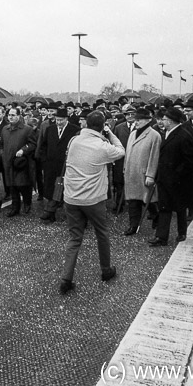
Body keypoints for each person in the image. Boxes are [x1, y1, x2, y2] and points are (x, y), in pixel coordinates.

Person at [58, 111, 126, 294]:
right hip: (93, 199)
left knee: (74, 238)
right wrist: (110, 133)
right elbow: (121, 151)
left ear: (85, 124)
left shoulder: (74, 141)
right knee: (102, 233)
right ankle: (106, 270)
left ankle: (66, 278)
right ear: (103, 125)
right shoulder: (103, 146)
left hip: (71, 197)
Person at [151, 107, 193, 247]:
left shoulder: (183, 136)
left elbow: (190, 159)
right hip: (165, 178)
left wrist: (177, 175)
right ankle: (162, 237)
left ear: (172, 121)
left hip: (178, 180)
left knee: (180, 207)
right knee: (165, 207)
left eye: (165, 119)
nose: (162, 122)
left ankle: (182, 232)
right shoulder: (166, 133)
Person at [122, 108, 161, 236]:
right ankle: (133, 226)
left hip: (143, 174)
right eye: (136, 119)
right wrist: (125, 168)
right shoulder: (133, 134)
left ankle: (156, 217)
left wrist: (151, 175)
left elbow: (154, 157)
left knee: (148, 200)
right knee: (133, 201)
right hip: (131, 173)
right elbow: (128, 153)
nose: (136, 122)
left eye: (139, 120)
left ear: (148, 120)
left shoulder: (154, 136)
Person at [38, 108, 80, 223]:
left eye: (61, 120)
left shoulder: (75, 130)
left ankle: (64, 214)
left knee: (65, 189)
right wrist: (44, 160)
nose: (59, 122)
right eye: (57, 120)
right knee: (52, 188)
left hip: (67, 165)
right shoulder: (50, 129)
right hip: (51, 165)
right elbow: (44, 145)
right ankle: (51, 213)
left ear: (66, 119)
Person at [0, 107, 37, 217]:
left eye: (13, 115)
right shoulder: (5, 129)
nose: (10, 117)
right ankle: (15, 207)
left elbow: (33, 144)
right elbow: (1, 144)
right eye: (9, 115)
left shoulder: (27, 129)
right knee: (12, 186)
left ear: (19, 116)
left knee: (23, 185)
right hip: (8, 162)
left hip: (21, 163)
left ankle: (27, 203)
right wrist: (3, 154)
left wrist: (23, 150)